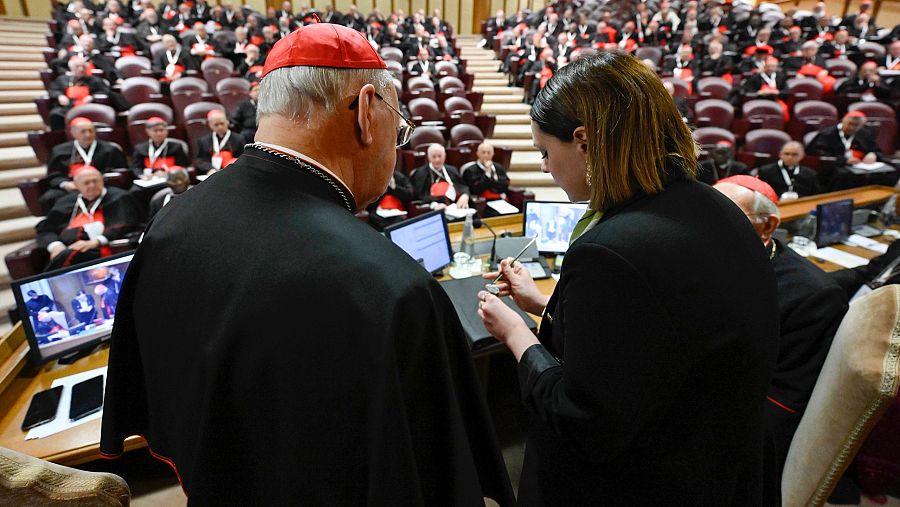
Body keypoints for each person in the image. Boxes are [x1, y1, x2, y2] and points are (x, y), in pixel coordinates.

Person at [100, 23, 515, 505]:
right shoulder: (393, 290)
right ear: (365, 111)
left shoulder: (171, 223)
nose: (394, 148)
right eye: (398, 129)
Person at [476, 52, 778, 505]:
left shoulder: (611, 249)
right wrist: (546, 305)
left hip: (641, 482)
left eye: (544, 151)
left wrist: (517, 333)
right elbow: (656, 334)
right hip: (722, 468)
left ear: (583, 140)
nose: (543, 167)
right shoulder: (717, 208)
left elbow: (581, 419)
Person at [713, 175, 847, 505]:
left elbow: (782, 402)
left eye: (723, 217)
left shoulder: (812, 295)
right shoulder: (697, 258)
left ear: (767, 226)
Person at [36, 167, 142, 271]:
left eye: (95, 181)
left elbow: (125, 224)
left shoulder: (119, 197)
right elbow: (46, 230)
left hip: (99, 246)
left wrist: (95, 242)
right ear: (77, 185)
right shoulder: (65, 202)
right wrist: (56, 246)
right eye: (86, 183)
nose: (92, 185)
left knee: (72, 254)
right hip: (67, 247)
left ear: (102, 181)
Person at [42, 117, 127, 214]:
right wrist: (65, 184)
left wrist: (97, 183)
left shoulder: (110, 150)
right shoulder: (59, 151)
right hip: (72, 187)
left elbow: (119, 173)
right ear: (73, 133)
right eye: (83, 131)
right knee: (49, 198)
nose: (88, 134)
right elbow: (53, 174)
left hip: (99, 187)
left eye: (91, 131)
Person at [807, 111, 895, 189]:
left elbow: (875, 149)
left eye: (856, 126)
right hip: (837, 166)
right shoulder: (827, 134)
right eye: (850, 124)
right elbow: (819, 155)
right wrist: (844, 160)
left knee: (892, 170)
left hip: (860, 165)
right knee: (844, 175)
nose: (852, 128)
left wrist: (873, 154)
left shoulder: (864, 133)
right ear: (843, 121)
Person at [410, 144, 470, 210]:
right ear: (428, 157)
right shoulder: (420, 173)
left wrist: (465, 195)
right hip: (433, 207)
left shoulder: (452, 170)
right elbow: (420, 195)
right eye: (434, 157)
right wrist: (434, 205)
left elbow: (462, 186)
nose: (437, 160)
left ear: (445, 156)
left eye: (440, 156)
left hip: (454, 206)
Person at [755, 141, 820, 199]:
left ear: (802, 156)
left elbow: (815, 196)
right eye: (786, 154)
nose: (790, 157)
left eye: (794, 154)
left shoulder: (810, 174)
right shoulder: (766, 171)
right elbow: (761, 194)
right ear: (780, 154)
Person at [193, 110, 246, 174]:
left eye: (222, 123)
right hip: (212, 174)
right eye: (216, 125)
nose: (220, 127)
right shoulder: (204, 141)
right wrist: (210, 169)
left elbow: (244, 159)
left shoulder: (239, 139)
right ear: (210, 125)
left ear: (227, 122)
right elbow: (200, 161)